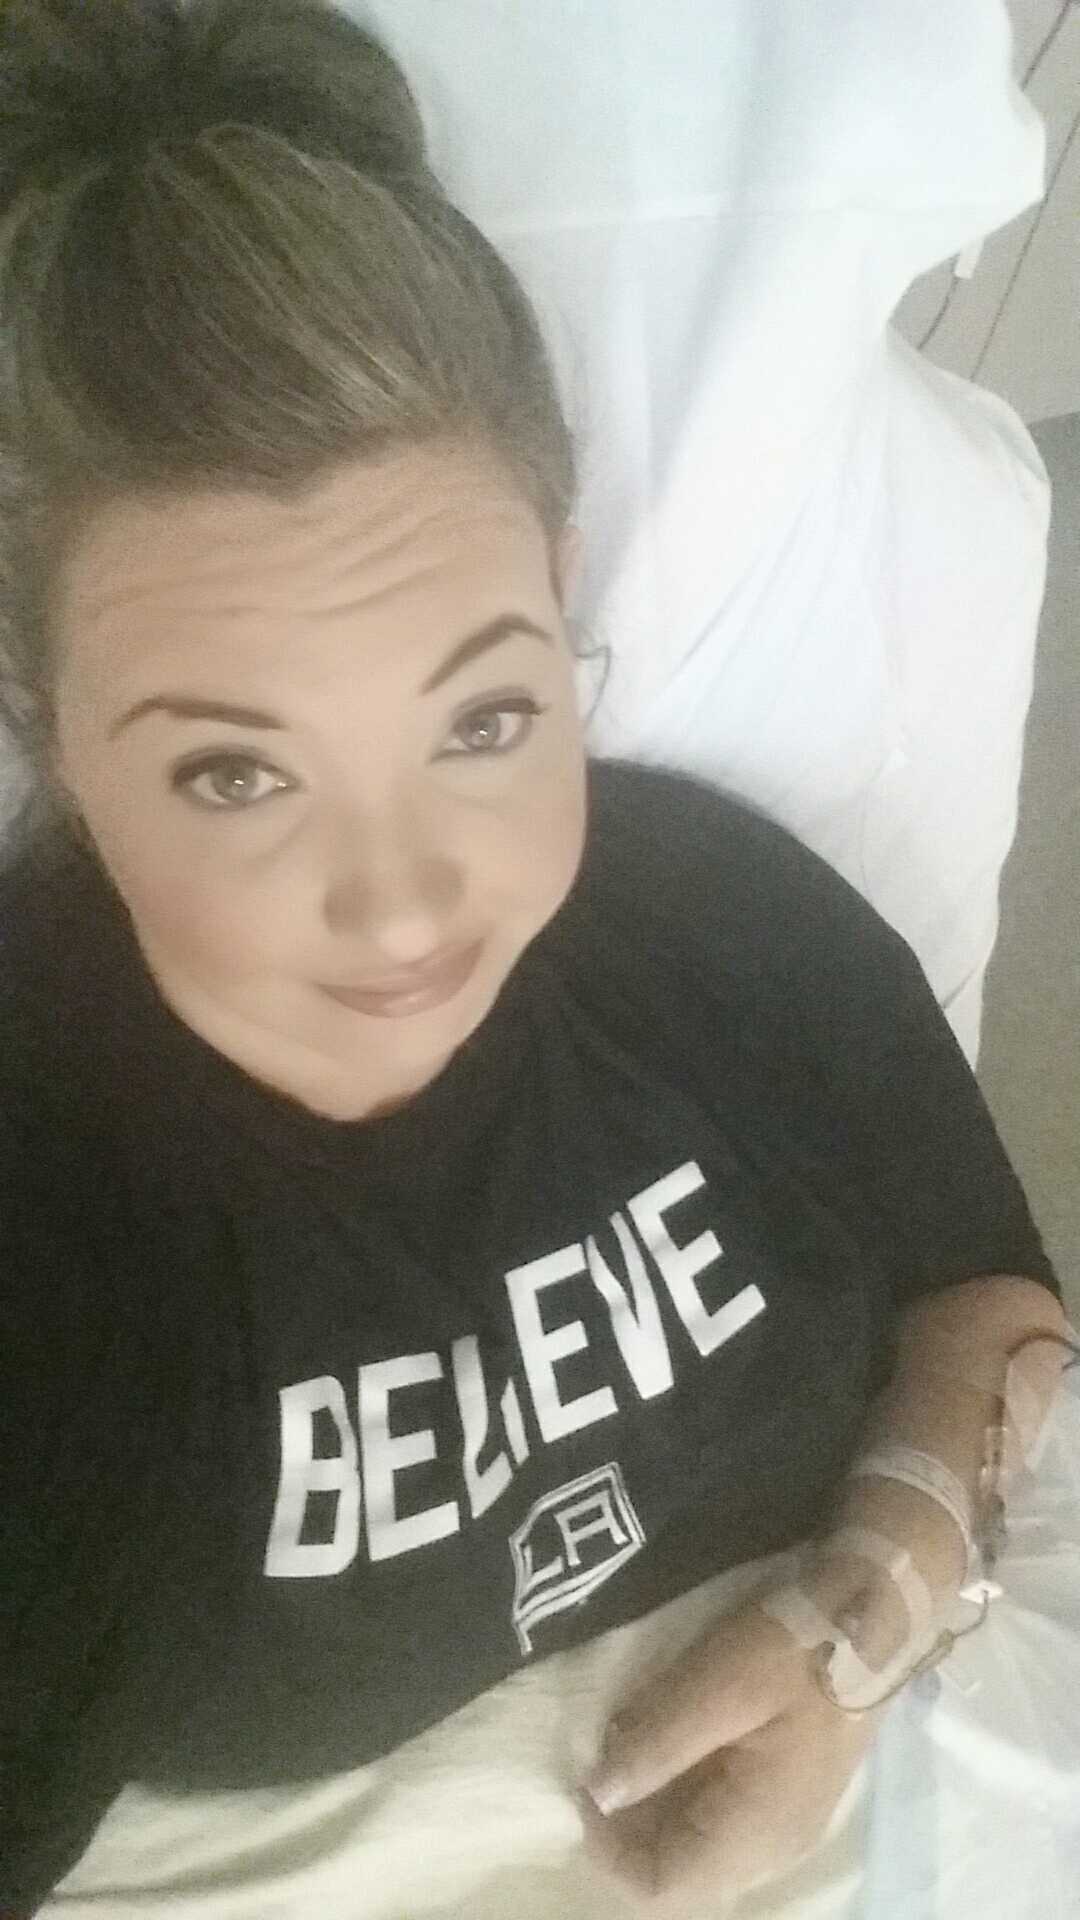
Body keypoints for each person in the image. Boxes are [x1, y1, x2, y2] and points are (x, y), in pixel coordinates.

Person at [0, 3, 1074, 1914]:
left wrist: (864, 1613)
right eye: (236, 773)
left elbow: (983, 1300)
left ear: (557, 592)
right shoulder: (57, 1218)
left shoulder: (708, 907)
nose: (408, 903)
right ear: (46, 726)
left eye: (484, 718)